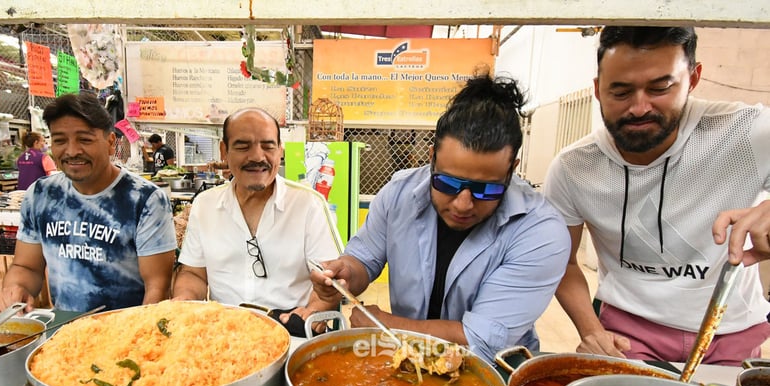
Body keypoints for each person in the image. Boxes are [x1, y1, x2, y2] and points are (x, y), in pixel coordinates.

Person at [543, 26, 770, 365]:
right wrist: (591, 331)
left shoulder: (748, 132)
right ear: (597, 90)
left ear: (693, 78)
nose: (639, 107)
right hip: (627, 334)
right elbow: (564, 262)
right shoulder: (573, 167)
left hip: (732, 331)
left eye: (660, 87)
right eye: (620, 92)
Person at [310, 72, 572, 364]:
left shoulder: (540, 231)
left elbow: (481, 341)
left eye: (486, 190)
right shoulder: (399, 195)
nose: (463, 204)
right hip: (406, 363)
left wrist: (388, 328)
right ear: (432, 156)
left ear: (511, 170)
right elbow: (363, 260)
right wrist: (344, 273)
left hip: (489, 378)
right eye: (448, 183)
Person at [0, 92, 177, 313]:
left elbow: (157, 287)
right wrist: (16, 288)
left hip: (125, 331)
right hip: (64, 330)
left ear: (110, 143)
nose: (72, 151)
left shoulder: (144, 199)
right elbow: (26, 266)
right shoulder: (41, 194)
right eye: (60, 140)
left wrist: (140, 336)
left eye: (85, 139)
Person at [173, 108, 342, 331]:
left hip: (291, 333)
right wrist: (183, 301)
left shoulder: (309, 205)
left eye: (268, 146)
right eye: (243, 146)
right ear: (224, 150)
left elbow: (330, 280)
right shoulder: (205, 205)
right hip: (223, 336)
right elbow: (193, 273)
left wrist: (315, 309)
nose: (257, 157)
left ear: (280, 150)